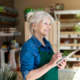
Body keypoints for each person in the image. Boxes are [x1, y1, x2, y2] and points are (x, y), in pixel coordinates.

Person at [20, 11, 66, 80]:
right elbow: (28, 77)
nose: (49, 27)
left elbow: (49, 68)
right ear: (34, 26)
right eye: (45, 23)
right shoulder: (29, 46)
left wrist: (58, 64)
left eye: (49, 24)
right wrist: (50, 64)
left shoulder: (47, 44)